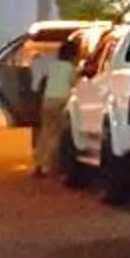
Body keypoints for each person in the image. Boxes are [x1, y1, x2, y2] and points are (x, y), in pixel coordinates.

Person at [29, 34, 80, 178]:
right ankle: (49, 166)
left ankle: (39, 163)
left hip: (48, 99)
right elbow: (74, 83)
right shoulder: (70, 68)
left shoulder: (52, 65)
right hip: (62, 100)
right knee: (56, 134)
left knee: (45, 132)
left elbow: (40, 77)